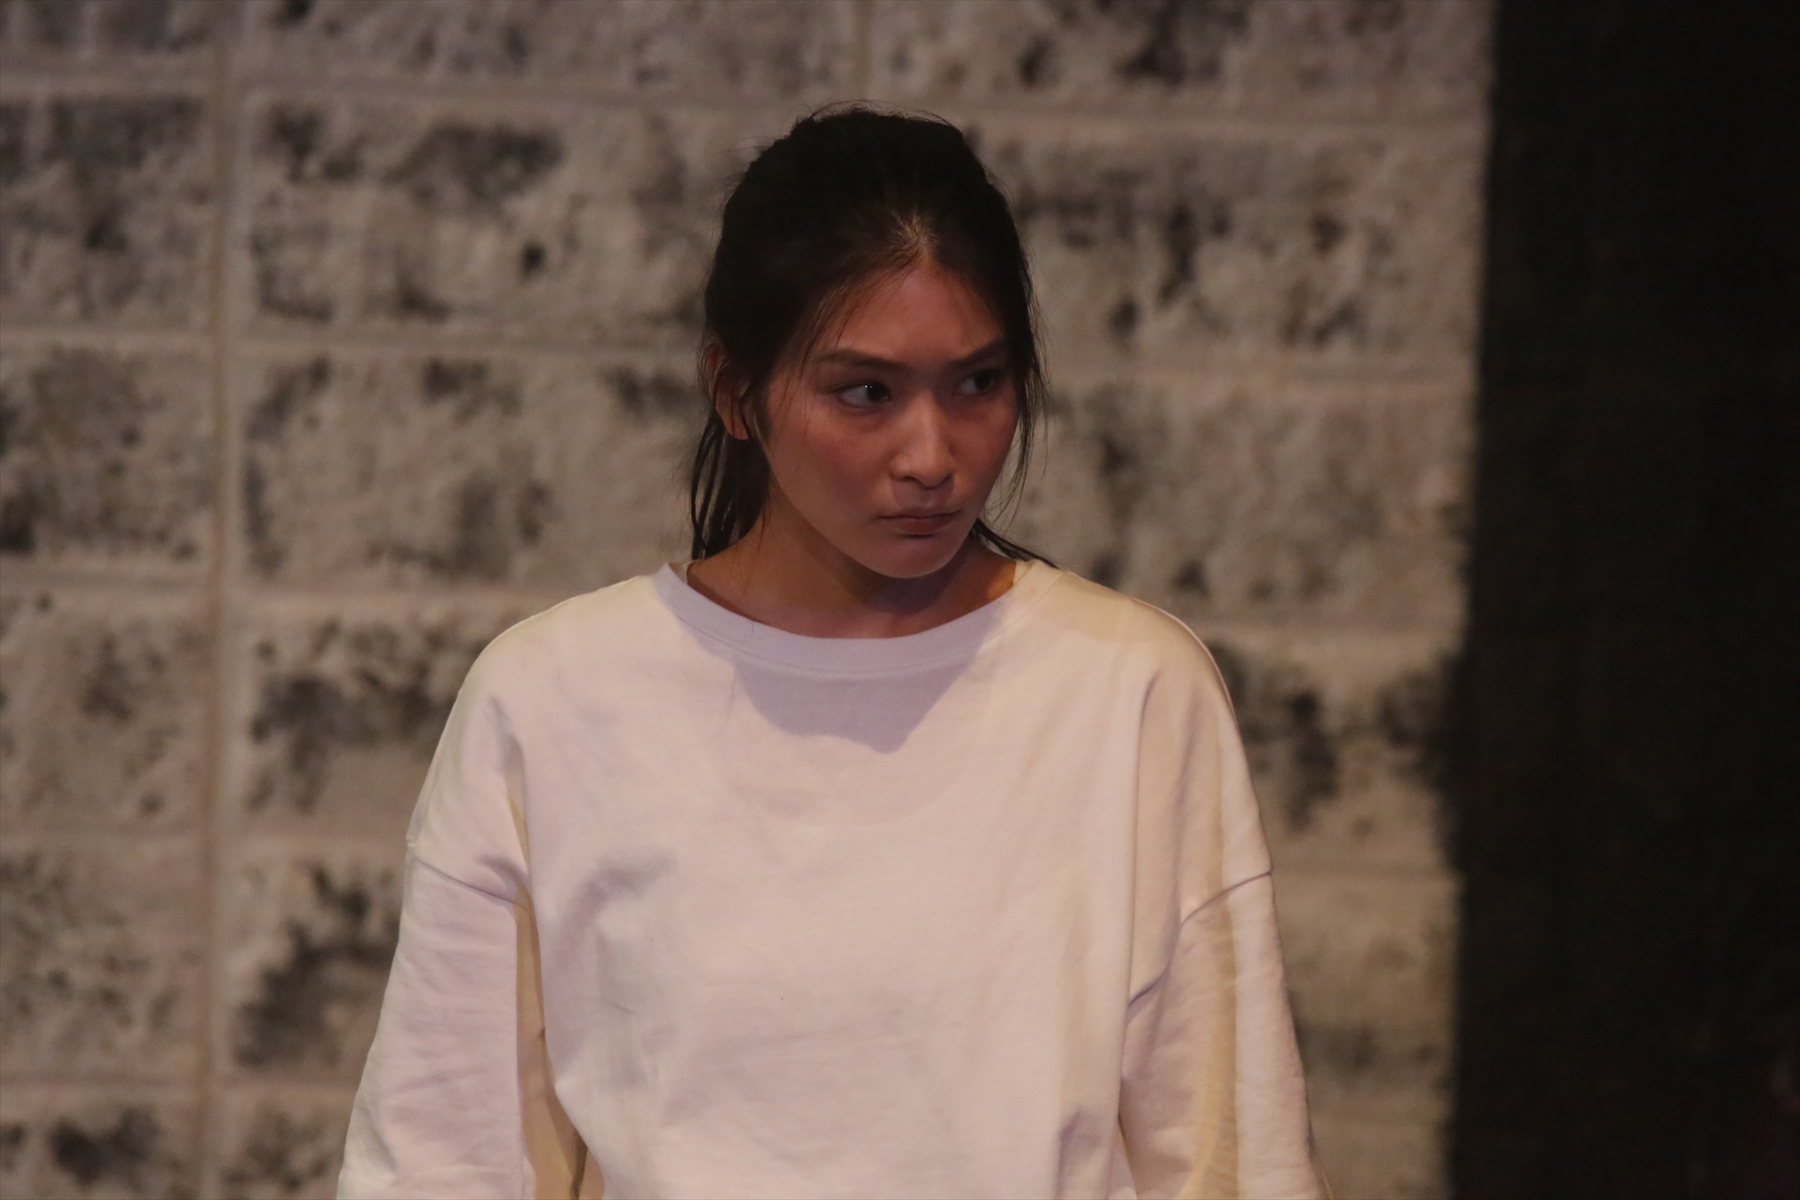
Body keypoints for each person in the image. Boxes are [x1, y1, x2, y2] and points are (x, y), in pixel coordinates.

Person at [338, 107, 1323, 1200]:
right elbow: (444, 1160)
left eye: (978, 383)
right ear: (735, 391)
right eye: (866, 393)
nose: (931, 455)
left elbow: (1232, 1159)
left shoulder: (1127, 688)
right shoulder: (553, 699)